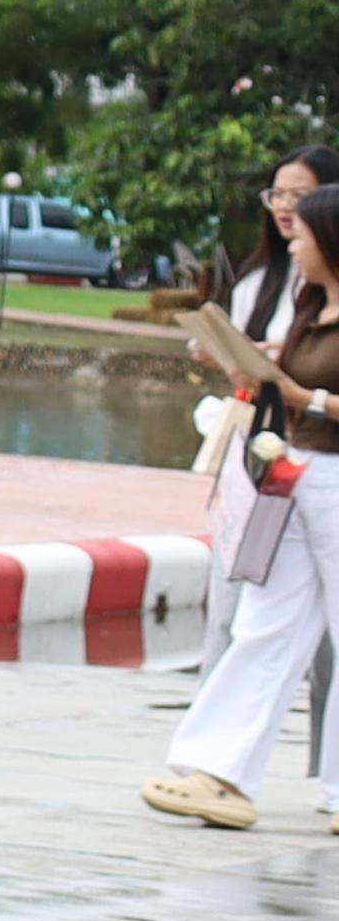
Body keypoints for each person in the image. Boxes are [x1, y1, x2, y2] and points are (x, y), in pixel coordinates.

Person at [148, 144, 339, 829]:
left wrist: (303, 396)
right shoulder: (310, 306)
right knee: (267, 618)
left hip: (332, 473)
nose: (294, 232)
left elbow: (310, 393)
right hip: (297, 473)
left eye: (308, 226)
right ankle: (219, 771)